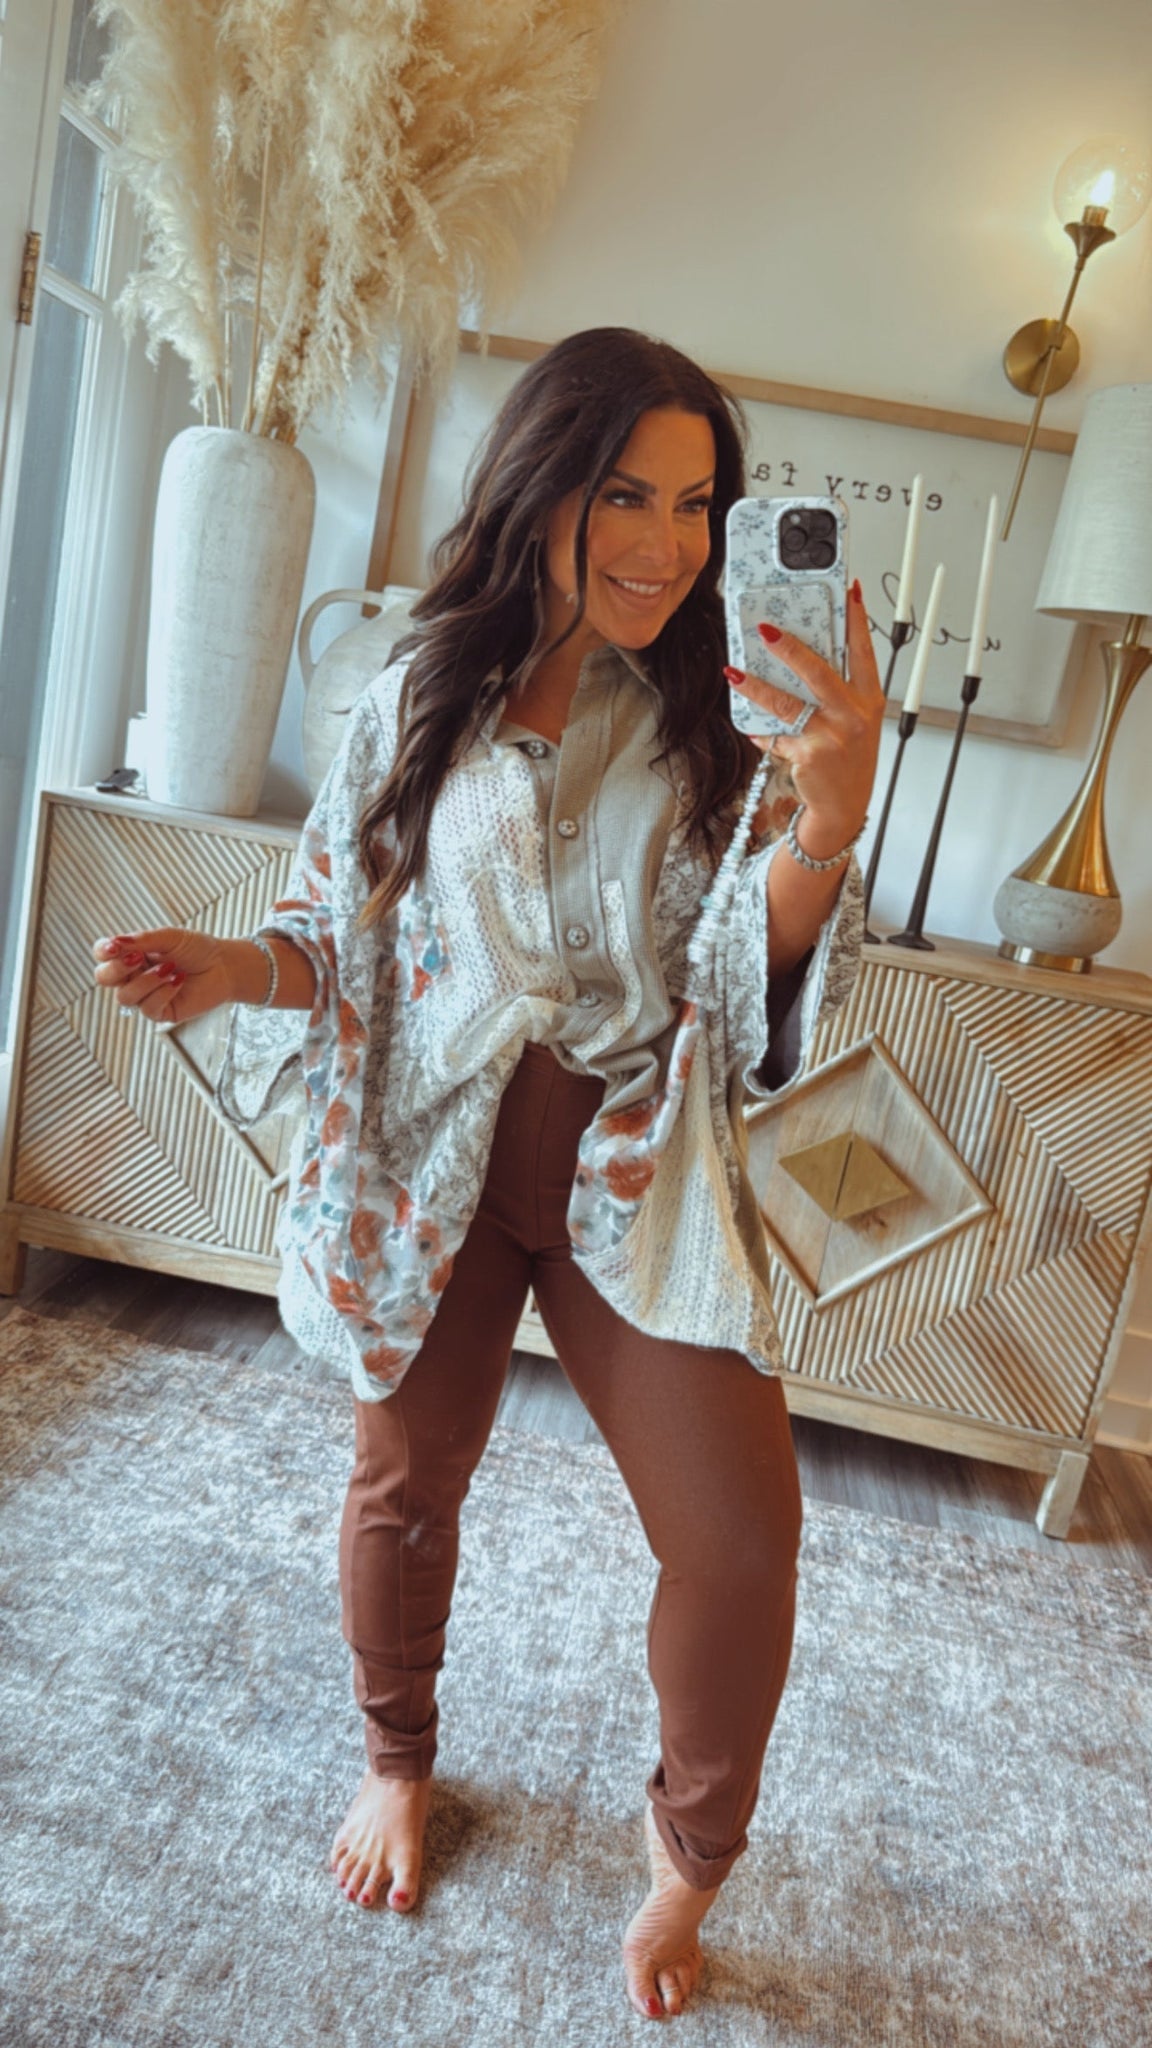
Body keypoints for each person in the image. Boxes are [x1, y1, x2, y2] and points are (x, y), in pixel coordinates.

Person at [93, 327, 882, 2022]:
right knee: (405, 1479)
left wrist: (826, 819)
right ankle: (395, 1756)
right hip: (430, 1151)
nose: (668, 544)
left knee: (742, 1540)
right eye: (627, 496)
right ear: (541, 488)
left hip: (636, 1164)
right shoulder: (415, 691)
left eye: (699, 504)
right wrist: (238, 969)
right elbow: (340, 927)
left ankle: (686, 1865)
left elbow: (742, 977)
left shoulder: (738, 717)